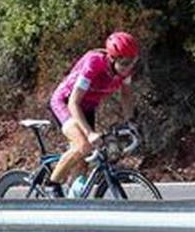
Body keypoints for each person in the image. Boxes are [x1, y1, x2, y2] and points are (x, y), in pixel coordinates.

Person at [45, 31, 139, 197]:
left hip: (87, 108)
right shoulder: (94, 63)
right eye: (124, 63)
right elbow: (74, 103)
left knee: (84, 162)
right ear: (112, 58)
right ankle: (51, 185)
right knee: (83, 145)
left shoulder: (126, 69)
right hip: (66, 102)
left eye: (133, 61)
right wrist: (89, 133)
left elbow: (126, 95)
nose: (129, 67)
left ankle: (72, 204)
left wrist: (130, 122)